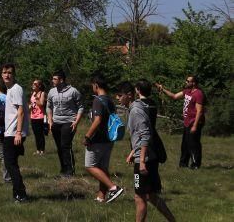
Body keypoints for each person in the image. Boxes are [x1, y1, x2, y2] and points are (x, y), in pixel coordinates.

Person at [117, 80, 176, 222]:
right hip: (146, 157)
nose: (118, 98)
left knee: (140, 197)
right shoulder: (137, 107)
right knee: (151, 195)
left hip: (145, 160)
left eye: (120, 95)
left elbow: (145, 134)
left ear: (129, 95)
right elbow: (140, 134)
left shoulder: (136, 110)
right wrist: (133, 152)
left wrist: (141, 160)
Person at [83, 72, 124, 203]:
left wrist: (88, 136)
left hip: (98, 140)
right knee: (102, 168)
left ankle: (113, 188)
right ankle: (101, 197)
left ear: (96, 85)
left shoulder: (98, 100)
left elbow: (97, 120)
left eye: (92, 86)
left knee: (90, 166)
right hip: (109, 139)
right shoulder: (110, 101)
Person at [155, 75, 205, 169]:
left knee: (193, 144)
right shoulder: (187, 91)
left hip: (194, 122)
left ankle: (195, 164)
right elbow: (174, 96)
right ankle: (183, 164)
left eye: (188, 81)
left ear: (193, 83)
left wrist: (195, 125)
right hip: (187, 122)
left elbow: (199, 111)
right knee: (185, 144)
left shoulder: (198, 94)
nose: (186, 82)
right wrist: (163, 89)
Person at [46, 70, 84, 177]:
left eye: (55, 79)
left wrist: (76, 122)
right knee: (59, 147)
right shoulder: (52, 92)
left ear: (61, 80)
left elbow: (81, 107)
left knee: (65, 145)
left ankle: (70, 170)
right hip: (56, 122)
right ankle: (63, 168)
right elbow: (48, 106)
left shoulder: (73, 91)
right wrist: (50, 120)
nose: (52, 81)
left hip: (69, 122)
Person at [1, 63, 29, 202]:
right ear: (1, 74)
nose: (7, 75)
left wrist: (18, 132)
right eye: (5, 72)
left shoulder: (16, 89)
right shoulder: (10, 90)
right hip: (10, 132)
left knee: (10, 164)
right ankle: (17, 193)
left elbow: (21, 111)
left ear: (14, 75)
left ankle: (21, 194)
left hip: (13, 133)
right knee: (11, 164)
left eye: (10, 73)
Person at [29, 78, 46, 155]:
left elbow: (41, 104)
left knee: (40, 134)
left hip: (40, 116)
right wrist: (30, 106)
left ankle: (42, 150)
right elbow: (32, 103)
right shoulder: (32, 93)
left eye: (35, 84)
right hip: (33, 116)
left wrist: (36, 98)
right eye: (33, 83)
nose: (33, 85)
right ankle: (38, 150)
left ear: (39, 85)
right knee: (36, 134)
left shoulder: (42, 93)